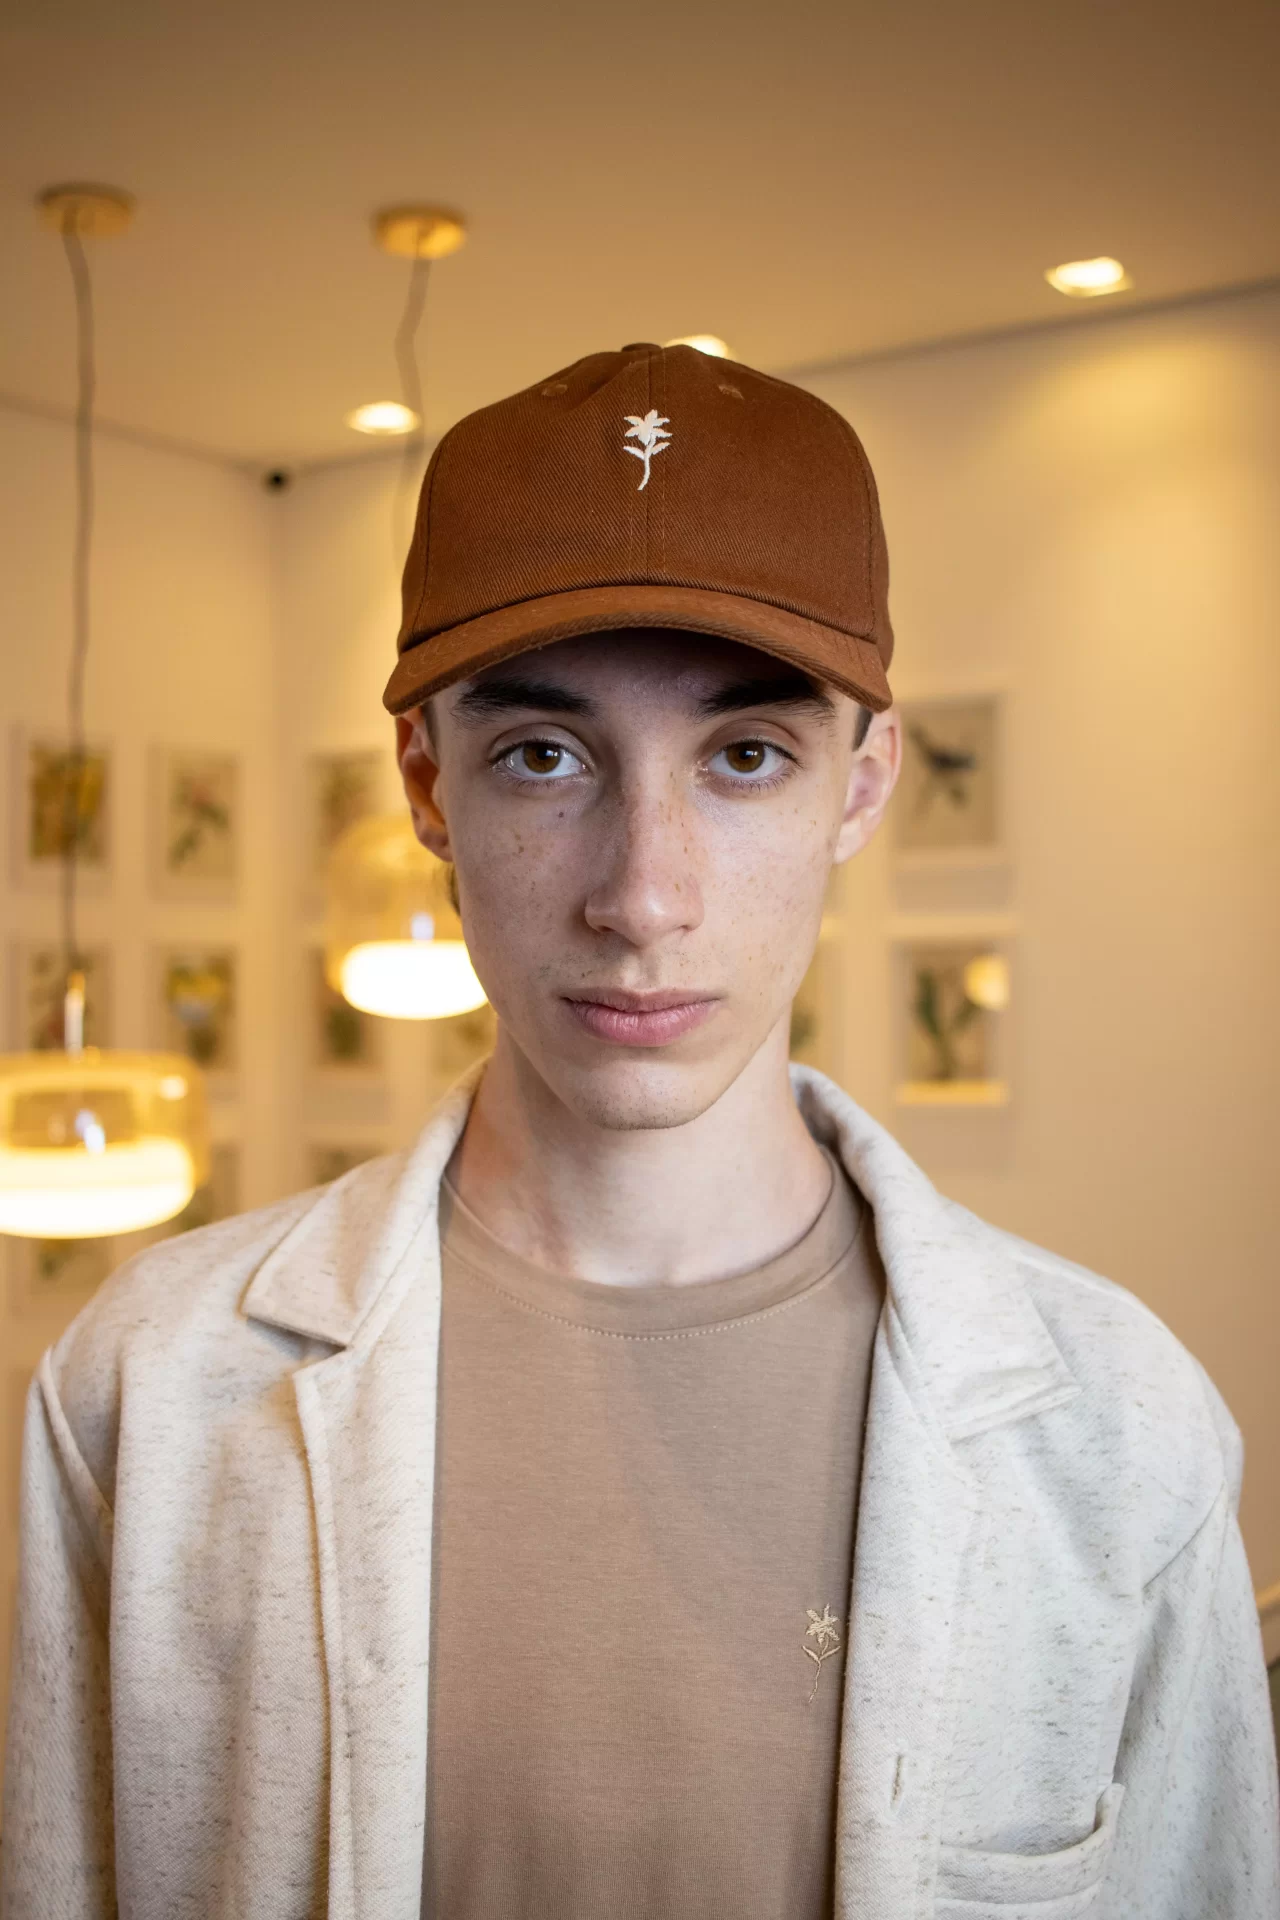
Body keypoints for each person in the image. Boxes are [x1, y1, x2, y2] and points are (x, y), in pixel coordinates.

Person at [3, 344, 1277, 1920]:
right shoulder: (147, 1390)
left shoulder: (1122, 1429)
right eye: (544, 757)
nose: (644, 896)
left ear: (862, 786)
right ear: (429, 786)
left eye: (745, 757)